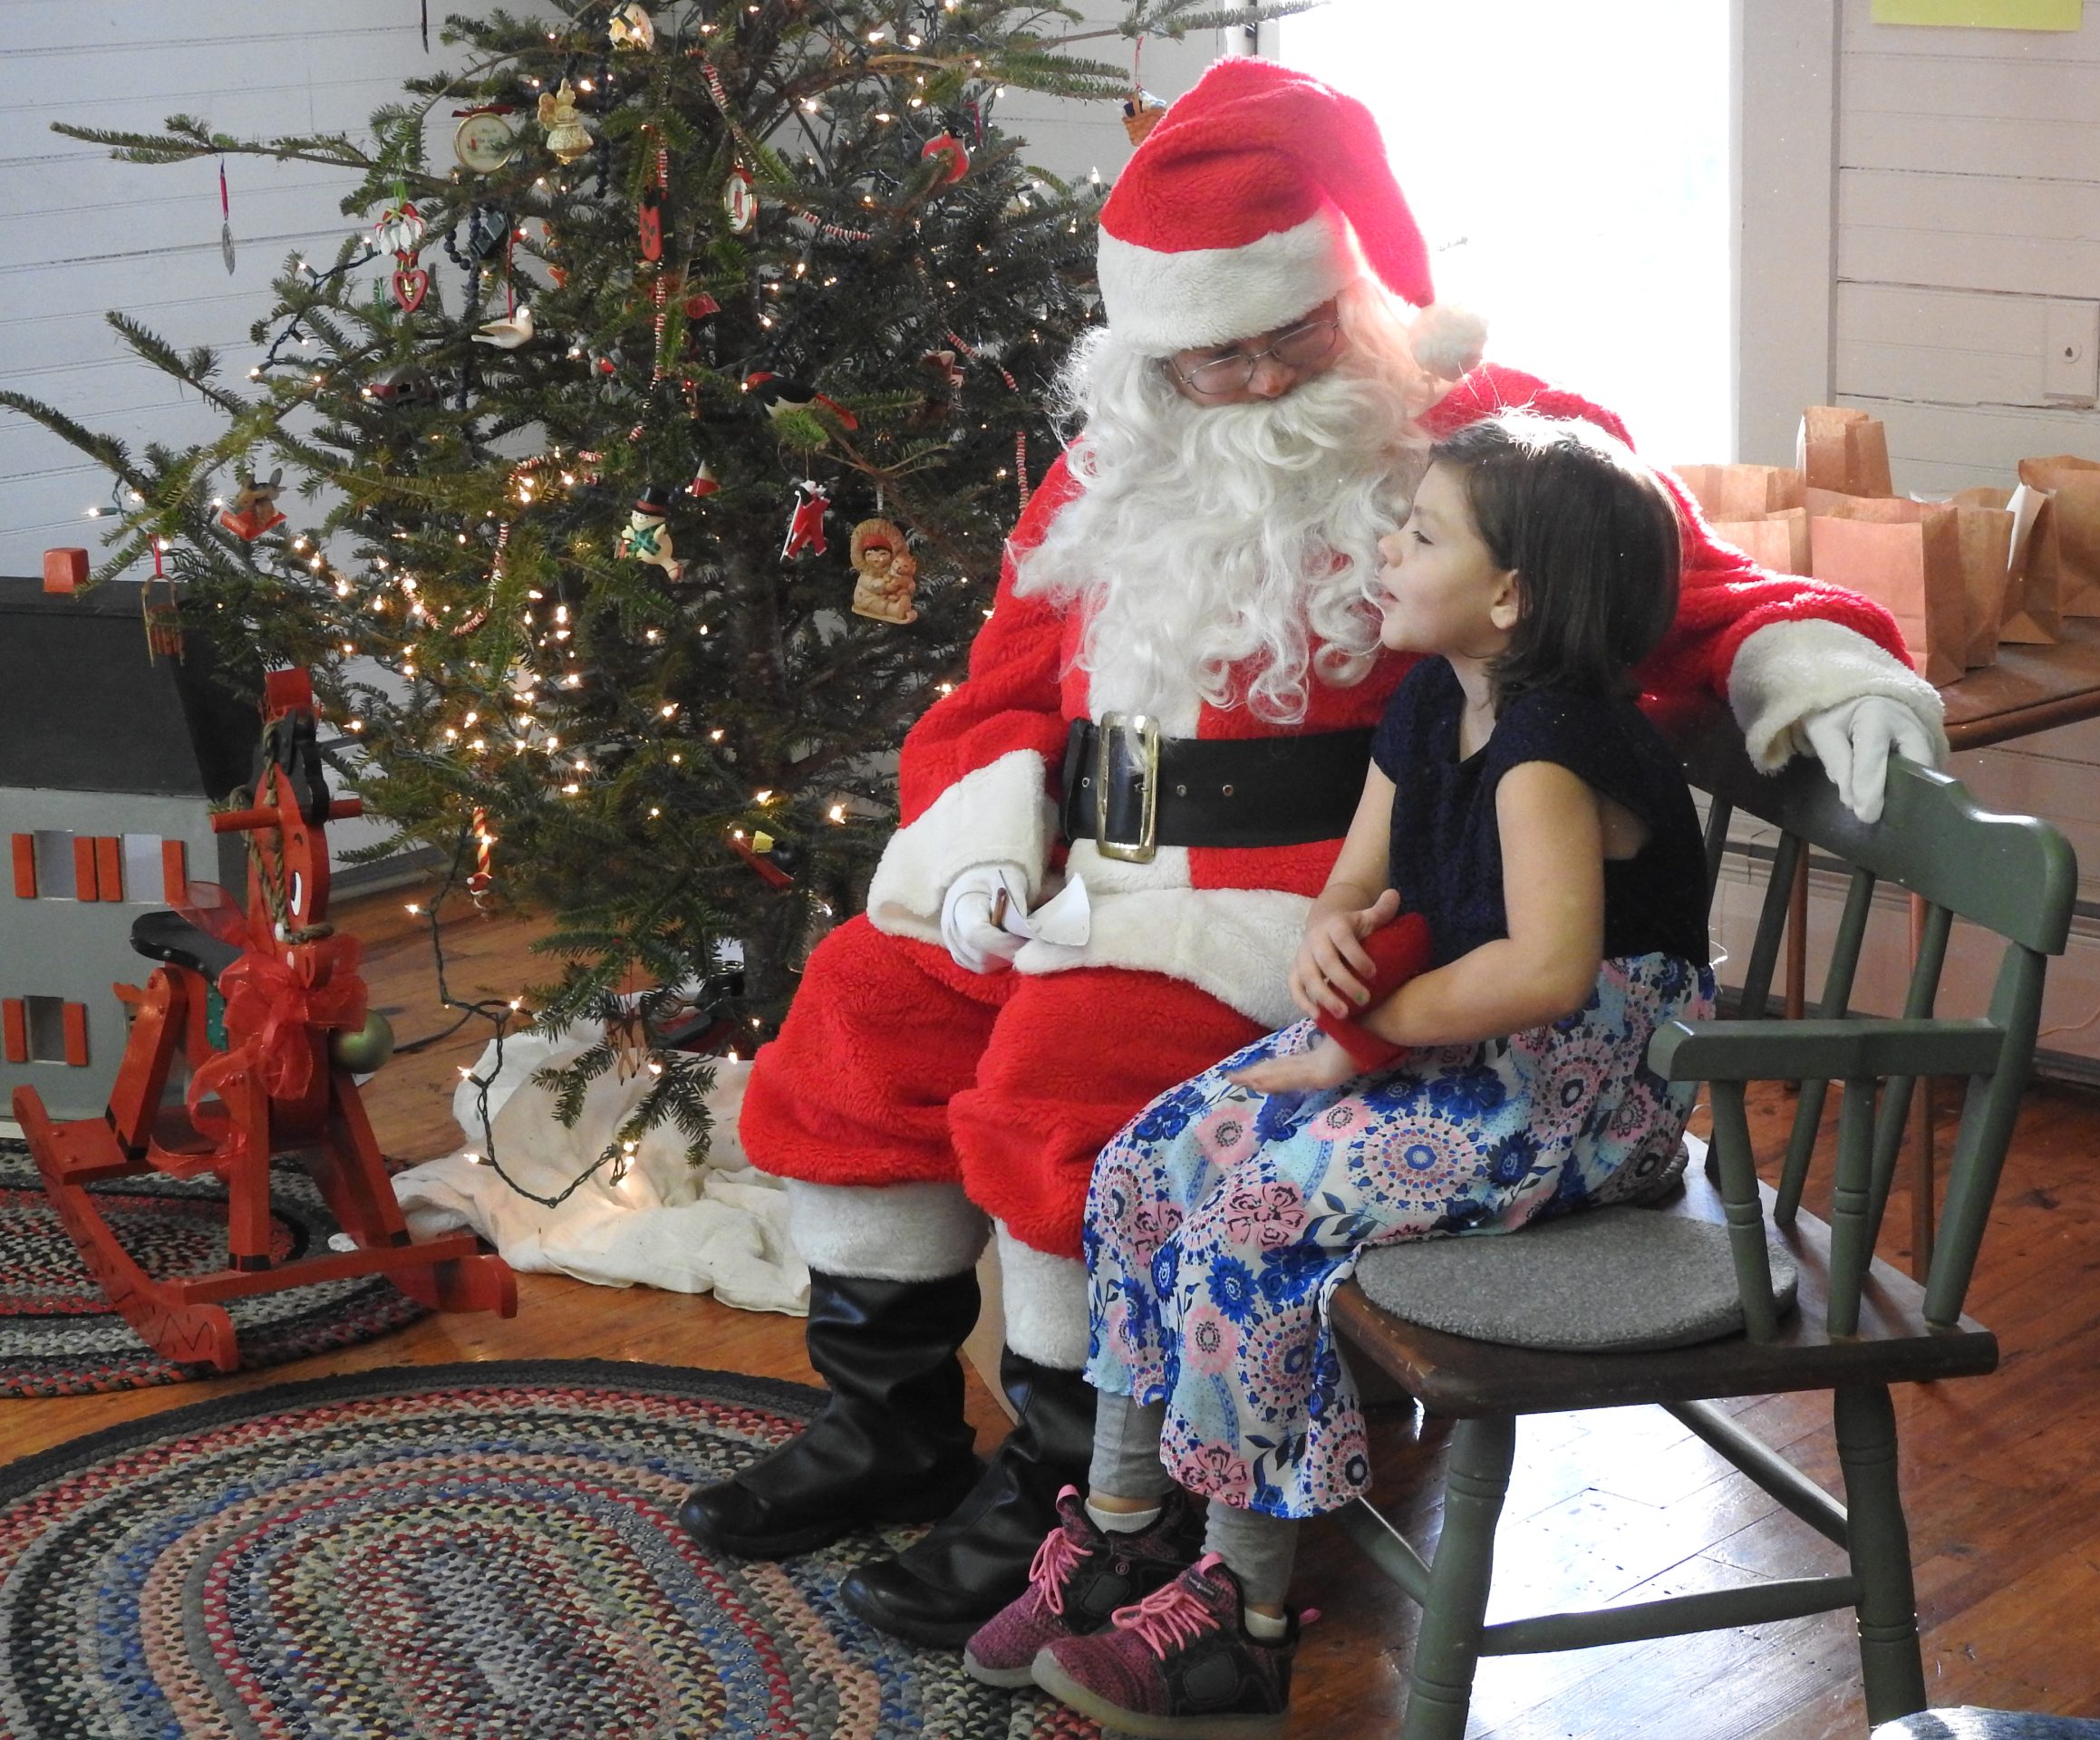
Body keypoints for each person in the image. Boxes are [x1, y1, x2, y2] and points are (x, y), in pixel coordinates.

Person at [677, 56, 1944, 1647]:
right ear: (1152, 350)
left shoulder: (1487, 444)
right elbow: (1001, 681)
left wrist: (1813, 664)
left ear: (1348, 290)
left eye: (1291, 334)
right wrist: (987, 828)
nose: (1262, 382)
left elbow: (1693, 590)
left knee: (1070, 1085)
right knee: (866, 1003)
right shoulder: (1109, 465)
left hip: (1308, 903)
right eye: (1216, 356)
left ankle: (1077, 1485)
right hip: (1088, 870)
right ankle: (894, 1428)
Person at [957, 411, 1717, 1735]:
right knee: (1157, 1153)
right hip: (1449, 1046)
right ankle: (1126, 1529)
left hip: (1573, 1099)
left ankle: (1241, 1619)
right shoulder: (1434, 698)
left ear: (1511, 594)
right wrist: (1329, 945)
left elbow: (1545, 973)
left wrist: (1371, 1029)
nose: (1388, 544)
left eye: (1421, 534)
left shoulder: (1550, 755)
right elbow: (1360, 874)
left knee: (1256, 1216)